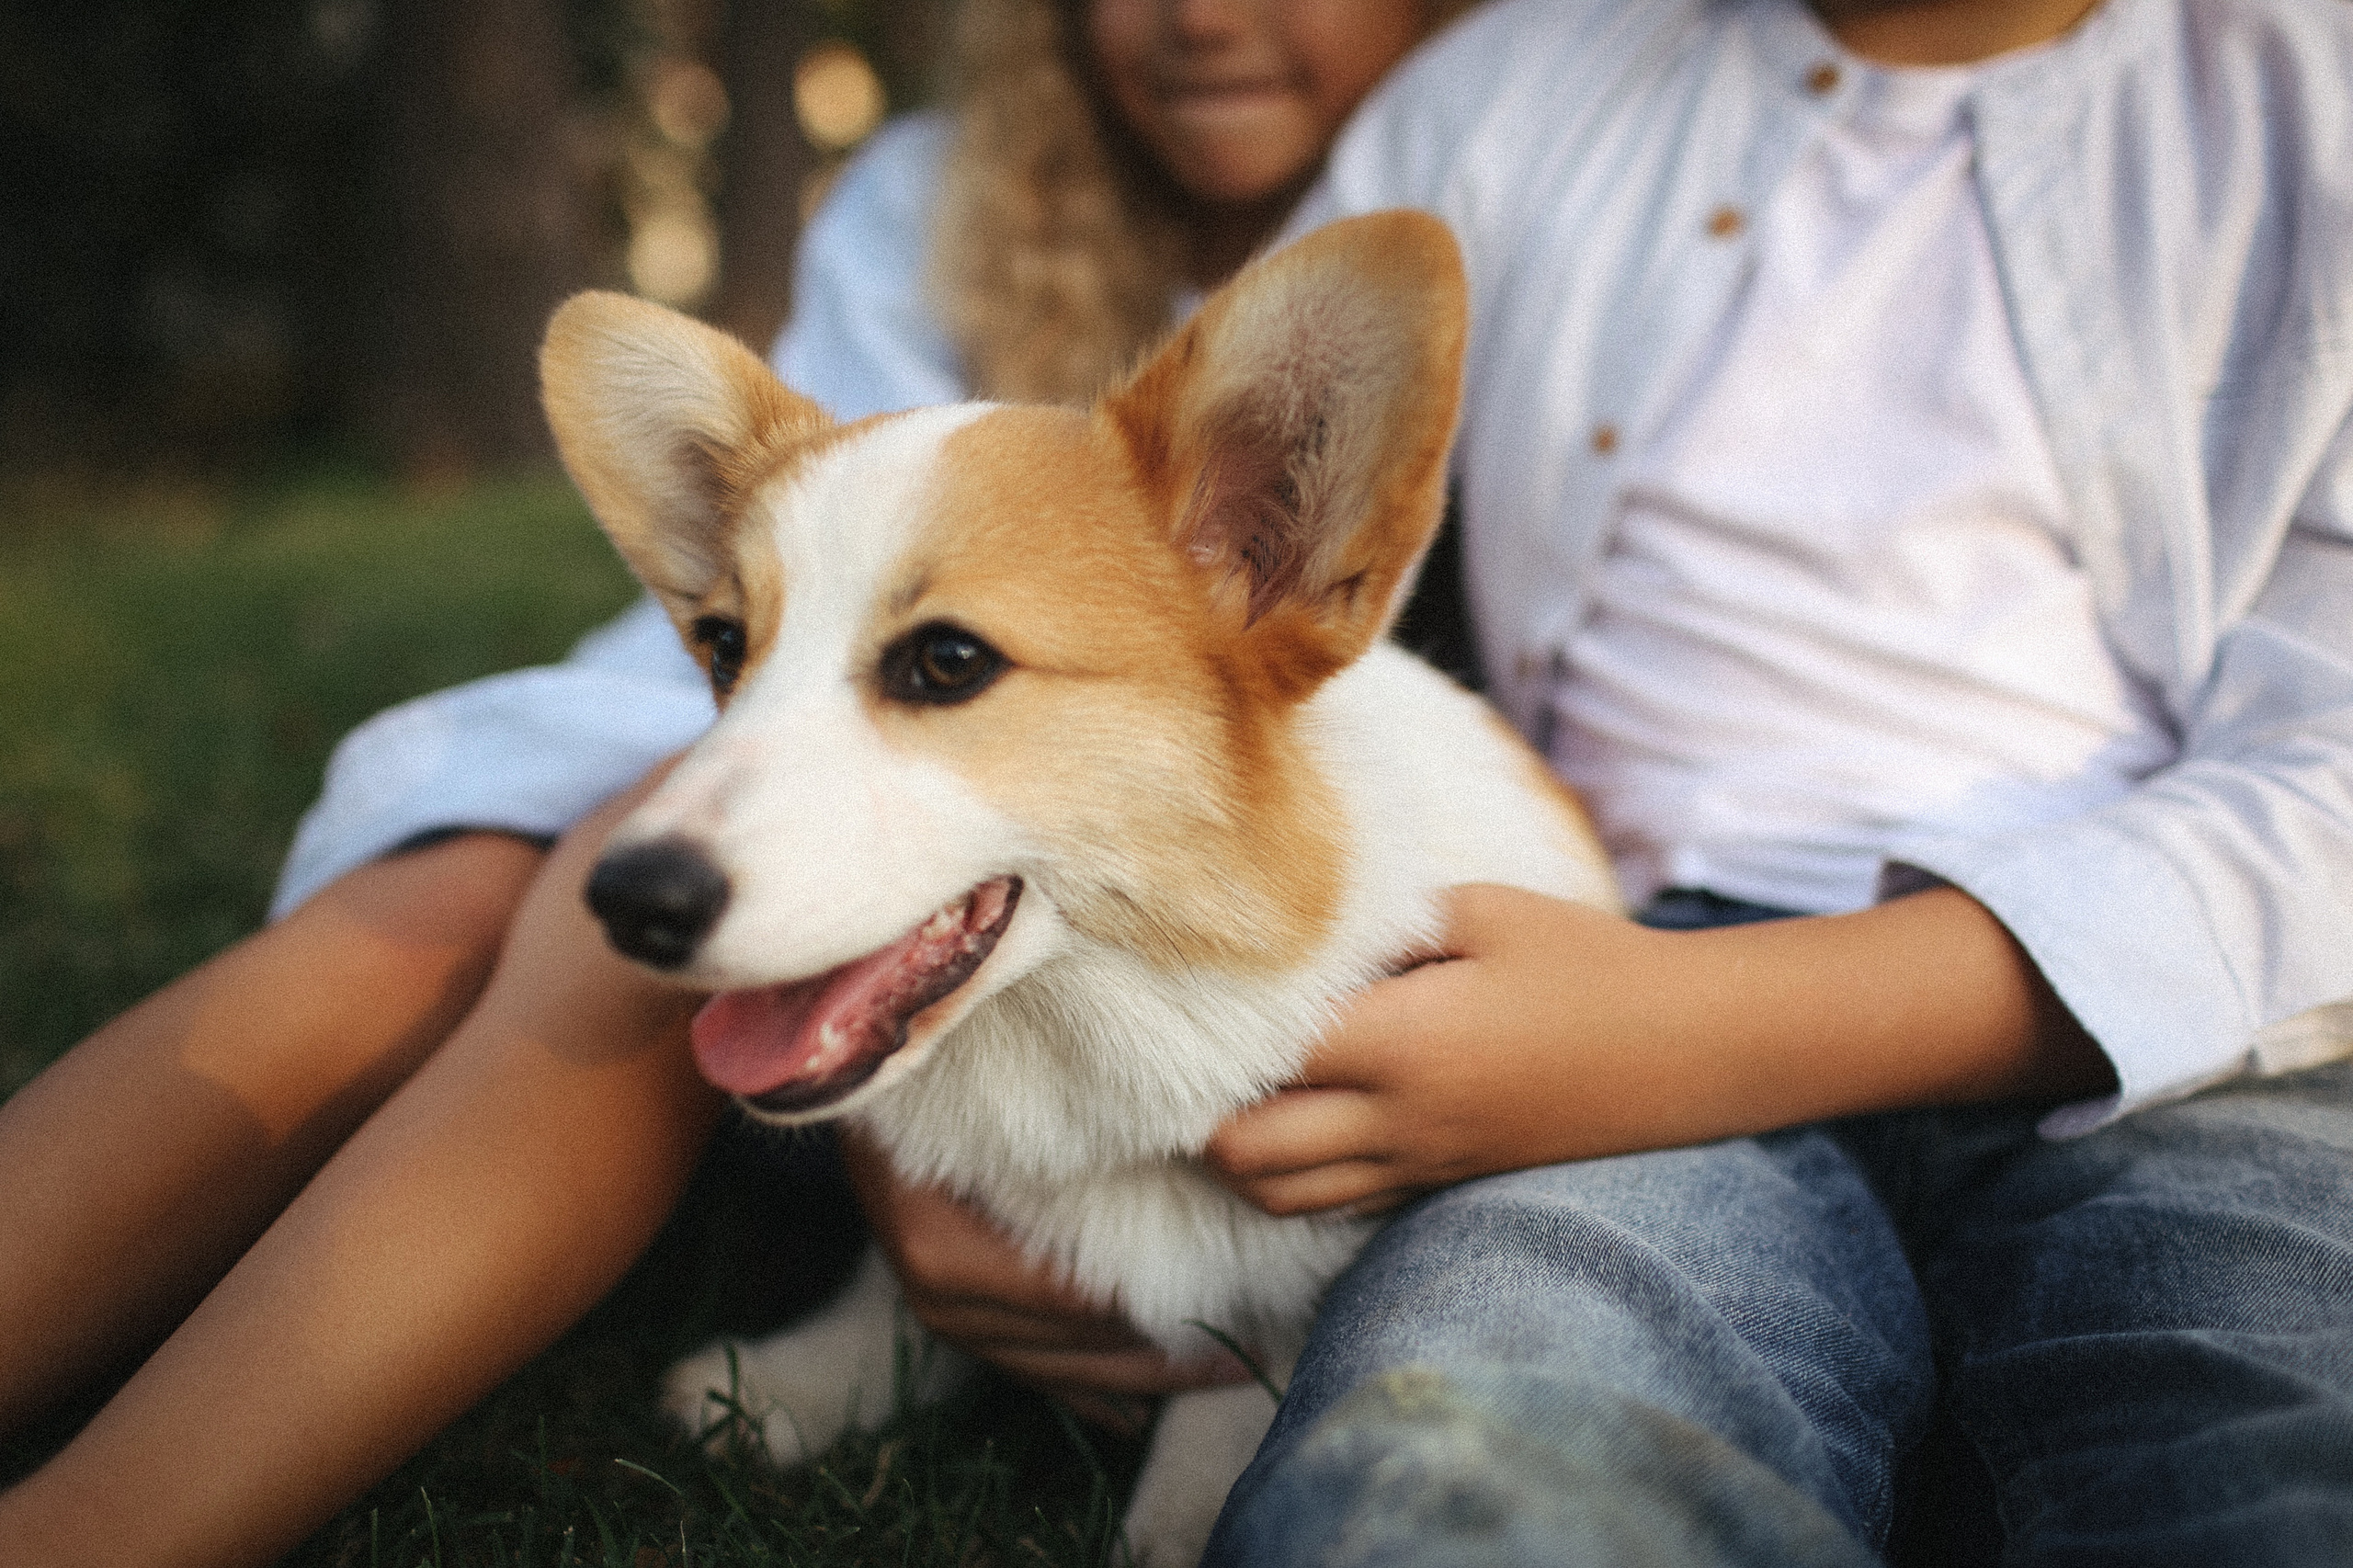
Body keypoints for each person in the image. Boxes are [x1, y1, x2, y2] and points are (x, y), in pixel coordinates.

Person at [847, 0, 2353, 1562]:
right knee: (1470, 1450)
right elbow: (1168, 569)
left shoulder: (2310, 98)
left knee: (2281, 1421)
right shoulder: (1512, 92)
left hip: (2200, 1044)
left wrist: (1692, 1026)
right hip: (1585, 982)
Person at [0, 3, 1476, 1562]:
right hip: (762, 690)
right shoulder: (942, 193)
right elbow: (805, 549)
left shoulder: (1521, 165)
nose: (1199, 12)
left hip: (1141, 793)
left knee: (588, 933)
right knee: (440, 907)